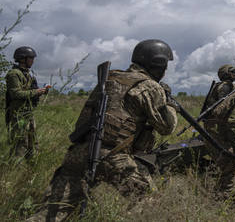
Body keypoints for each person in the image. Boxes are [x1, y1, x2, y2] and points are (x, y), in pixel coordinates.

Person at [28, 39, 177, 221]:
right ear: (158, 64)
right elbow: (166, 128)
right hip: (113, 156)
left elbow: (82, 122)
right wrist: (169, 105)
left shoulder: (109, 78)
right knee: (149, 201)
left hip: (79, 152)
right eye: (165, 65)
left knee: (52, 213)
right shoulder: (150, 86)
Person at [5, 46, 48, 159]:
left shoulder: (28, 74)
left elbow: (30, 91)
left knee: (33, 142)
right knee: (20, 143)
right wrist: (36, 92)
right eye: (31, 58)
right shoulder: (14, 74)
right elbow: (16, 94)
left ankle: (31, 167)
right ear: (23, 59)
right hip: (19, 115)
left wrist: (41, 92)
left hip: (28, 113)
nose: (33, 61)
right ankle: (15, 171)